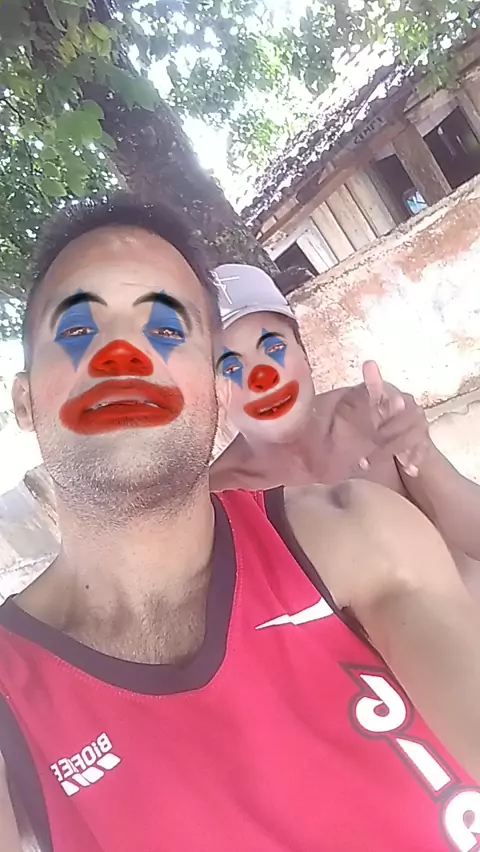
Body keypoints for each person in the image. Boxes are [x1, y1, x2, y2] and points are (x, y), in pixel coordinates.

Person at [1, 194, 480, 852]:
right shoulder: (12, 695)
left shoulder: (358, 533)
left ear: (216, 391)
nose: (122, 357)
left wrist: (423, 461)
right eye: (79, 331)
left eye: (166, 331)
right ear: (25, 400)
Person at [210, 263, 480, 582]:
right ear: (213, 393)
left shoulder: (368, 413)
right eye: (230, 367)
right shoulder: (217, 502)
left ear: (304, 353)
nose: (262, 379)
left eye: (274, 347)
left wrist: (424, 455)